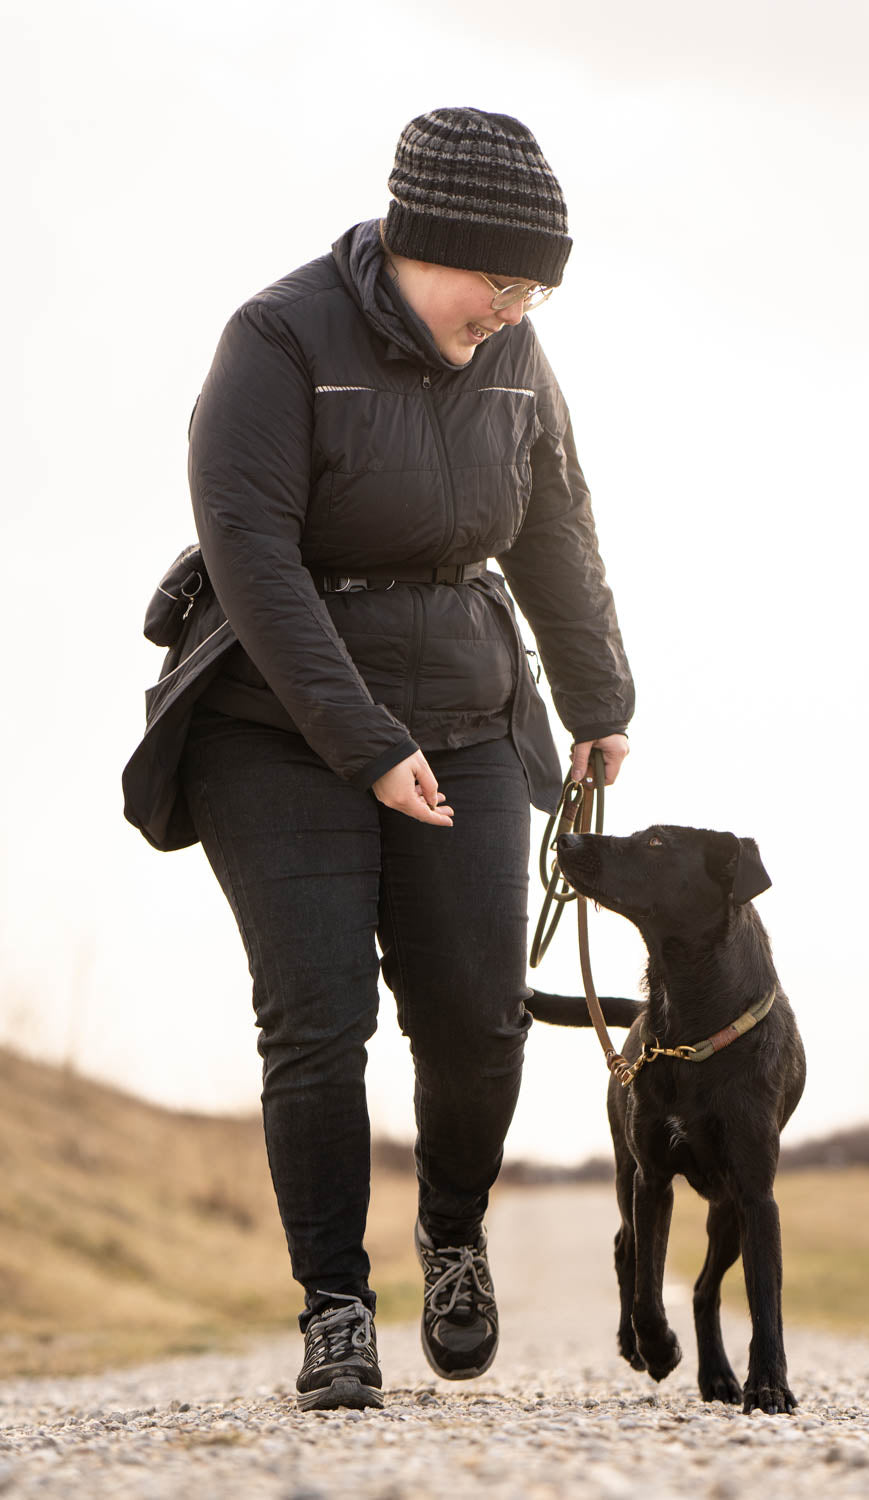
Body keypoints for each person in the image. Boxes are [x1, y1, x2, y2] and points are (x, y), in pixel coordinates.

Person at [123, 106, 634, 1411]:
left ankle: (451, 1235)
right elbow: (251, 559)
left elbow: (556, 520)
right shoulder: (278, 340)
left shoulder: (518, 359)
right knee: (319, 1018)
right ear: (429, 246)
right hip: (276, 731)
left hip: (463, 715)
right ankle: (335, 1306)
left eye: (535, 290)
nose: (516, 311)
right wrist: (363, 743)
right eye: (501, 281)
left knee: (478, 1021)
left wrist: (599, 694)